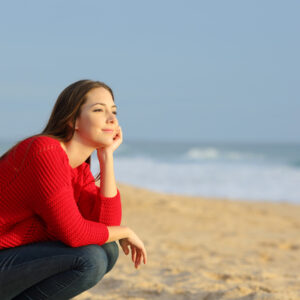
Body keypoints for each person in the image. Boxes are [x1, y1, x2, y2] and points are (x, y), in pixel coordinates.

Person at [0, 79, 147, 300]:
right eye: (99, 110)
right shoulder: (45, 151)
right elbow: (74, 234)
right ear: (72, 120)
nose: (112, 119)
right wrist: (125, 231)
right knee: (90, 259)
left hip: (10, 259)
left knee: (107, 250)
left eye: (114, 111)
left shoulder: (78, 170)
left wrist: (106, 158)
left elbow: (105, 226)